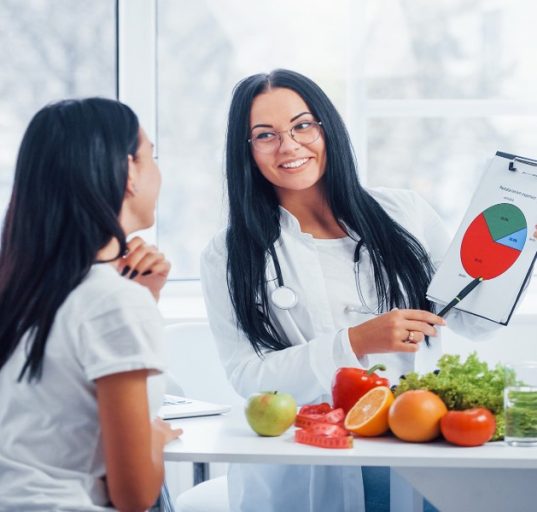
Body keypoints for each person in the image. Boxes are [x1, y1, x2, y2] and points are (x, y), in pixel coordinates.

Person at [200, 69, 535, 512]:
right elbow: (250, 377)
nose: (289, 146)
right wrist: (357, 342)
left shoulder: (404, 212)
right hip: (309, 468)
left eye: (302, 125)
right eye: (266, 135)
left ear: (327, 128)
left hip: (414, 454)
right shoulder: (230, 253)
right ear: (246, 150)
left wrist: (520, 247)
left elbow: (476, 322)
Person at [0, 98, 180, 511]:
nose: (158, 172)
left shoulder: (21, 288)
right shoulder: (113, 302)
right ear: (130, 172)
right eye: (151, 156)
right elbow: (133, 495)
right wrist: (154, 436)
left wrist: (145, 296)